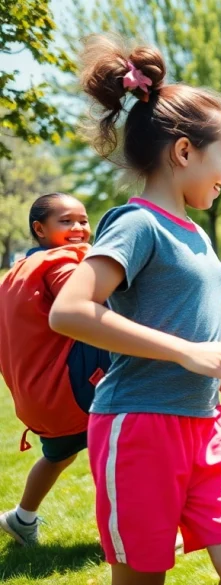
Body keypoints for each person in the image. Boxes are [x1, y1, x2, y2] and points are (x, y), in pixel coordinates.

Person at [49, 35, 221, 584]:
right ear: (185, 152)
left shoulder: (192, 231)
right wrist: (190, 353)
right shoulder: (135, 222)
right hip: (140, 425)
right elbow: (70, 310)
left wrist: (218, 360)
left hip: (206, 423)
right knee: (143, 575)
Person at [0, 193, 110, 545]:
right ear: (39, 228)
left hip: (41, 398)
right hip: (71, 391)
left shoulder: (17, 272)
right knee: (120, 447)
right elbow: (85, 301)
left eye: (83, 220)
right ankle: (134, 529)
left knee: (58, 456)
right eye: (66, 221)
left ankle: (22, 518)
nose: (79, 228)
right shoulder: (61, 263)